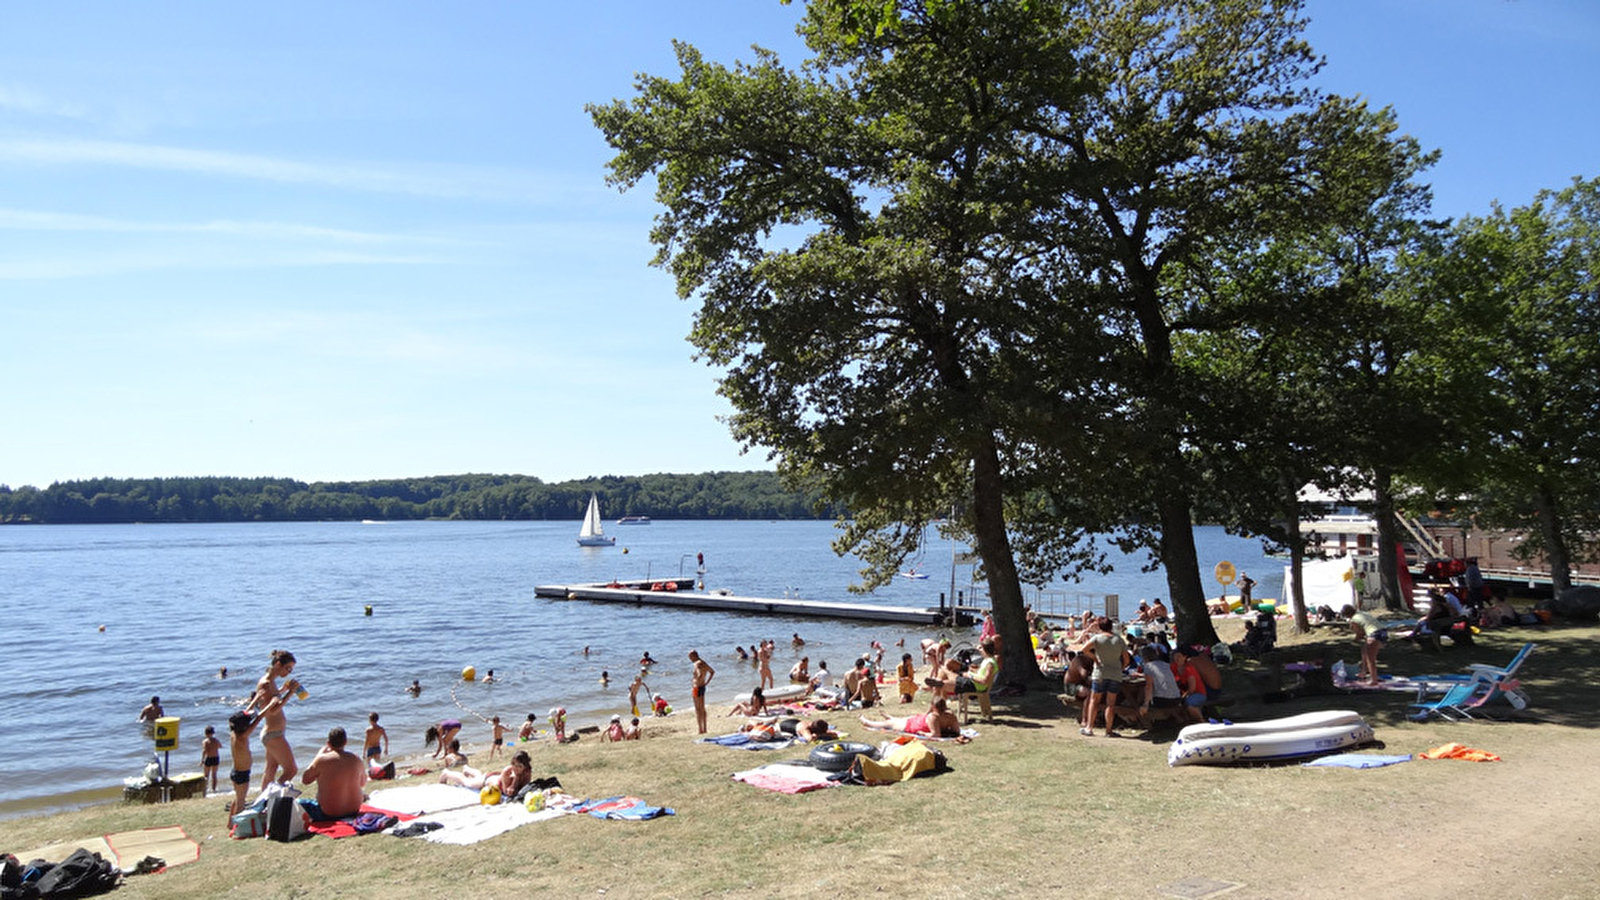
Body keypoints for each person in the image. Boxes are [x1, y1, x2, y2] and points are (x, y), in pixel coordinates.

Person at [250, 649, 302, 790]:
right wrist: (290, 693)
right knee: (291, 770)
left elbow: (271, 697)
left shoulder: (270, 681)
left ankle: (263, 803)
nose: (289, 672)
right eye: (288, 668)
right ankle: (272, 796)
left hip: (273, 733)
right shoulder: (266, 683)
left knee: (270, 771)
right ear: (278, 664)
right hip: (273, 734)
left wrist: (283, 690)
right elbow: (271, 710)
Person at [300, 727, 366, 820]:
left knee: (297, 803)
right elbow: (362, 783)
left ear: (328, 743)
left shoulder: (322, 760)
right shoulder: (356, 758)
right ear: (345, 742)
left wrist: (318, 756)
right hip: (354, 810)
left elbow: (305, 780)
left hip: (329, 813)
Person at [1081, 617, 1130, 737]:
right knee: (1111, 704)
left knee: (1094, 700)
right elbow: (1127, 659)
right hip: (1115, 674)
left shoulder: (1097, 638)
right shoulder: (1119, 640)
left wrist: (1095, 658)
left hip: (1100, 673)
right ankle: (1108, 730)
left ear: (1100, 627)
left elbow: (1084, 649)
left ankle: (1089, 727)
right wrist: (1121, 668)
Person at [439, 750, 532, 800]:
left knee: (479, 777)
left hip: (491, 777)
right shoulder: (507, 771)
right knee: (467, 782)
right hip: (488, 781)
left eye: (519, 766)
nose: (516, 768)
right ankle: (446, 773)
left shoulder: (527, 771)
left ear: (525, 766)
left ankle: (467, 769)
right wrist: (515, 782)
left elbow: (525, 786)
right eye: (513, 764)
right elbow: (507, 793)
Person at [860, 697, 963, 740]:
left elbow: (935, 734)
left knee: (889, 725)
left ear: (933, 706)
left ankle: (867, 722)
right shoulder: (951, 716)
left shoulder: (934, 717)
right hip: (919, 720)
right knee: (902, 719)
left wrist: (923, 734)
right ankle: (891, 717)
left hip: (914, 725)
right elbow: (957, 731)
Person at [1343, 604, 1387, 686]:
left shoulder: (1354, 620)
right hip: (1383, 632)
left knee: (1370, 659)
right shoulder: (1362, 613)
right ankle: (1364, 672)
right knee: (1364, 651)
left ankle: (1374, 680)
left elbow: (1360, 634)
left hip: (1374, 634)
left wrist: (1354, 640)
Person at [1138, 646, 1182, 725]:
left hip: (1162, 700)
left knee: (1140, 697)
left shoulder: (1148, 666)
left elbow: (1149, 686)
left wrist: (1145, 704)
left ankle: (1144, 721)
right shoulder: (1166, 664)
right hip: (1176, 698)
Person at [689, 649, 715, 734]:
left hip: (697, 688)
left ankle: (700, 729)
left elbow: (699, 674)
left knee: (698, 709)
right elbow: (712, 672)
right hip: (702, 687)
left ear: (694, 656)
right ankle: (705, 728)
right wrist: (706, 682)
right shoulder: (703, 662)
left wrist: (695, 682)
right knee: (702, 708)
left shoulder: (697, 664)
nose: (690, 659)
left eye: (690, 657)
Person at [200, 725, 222, 793]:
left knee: (206, 775)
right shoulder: (216, 740)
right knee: (214, 775)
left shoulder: (205, 741)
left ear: (205, 733)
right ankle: (214, 789)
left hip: (208, 758)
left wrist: (202, 760)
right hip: (215, 758)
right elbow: (220, 746)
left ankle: (205, 789)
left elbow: (204, 751)